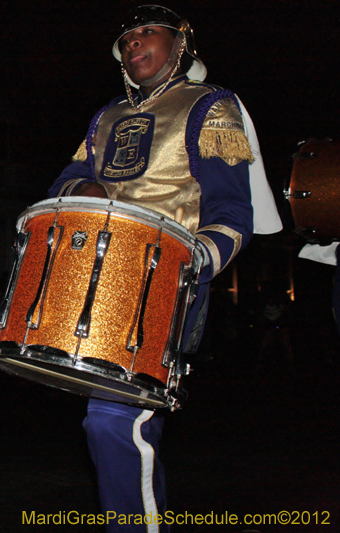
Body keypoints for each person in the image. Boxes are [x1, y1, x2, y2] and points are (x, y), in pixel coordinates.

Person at [46, 5, 281, 532]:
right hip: (94, 283)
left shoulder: (208, 106)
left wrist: (191, 265)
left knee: (114, 420)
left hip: (164, 279)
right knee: (114, 425)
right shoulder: (105, 116)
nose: (132, 43)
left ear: (180, 45)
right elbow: (67, 178)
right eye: (125, 37)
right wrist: (80, 187)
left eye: (147, 32)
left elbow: (231, 214)